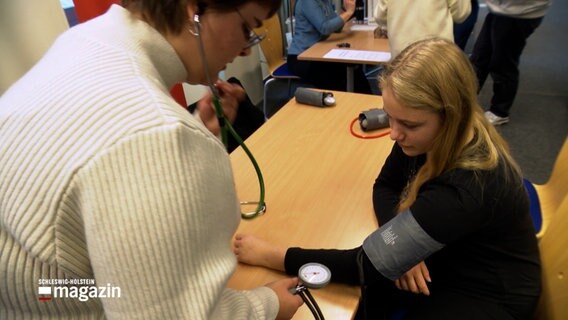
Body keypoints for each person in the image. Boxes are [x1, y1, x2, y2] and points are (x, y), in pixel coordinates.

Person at [0, 0, 304, 319]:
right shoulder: (154, 135)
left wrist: (196, 131)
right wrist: (264, 305)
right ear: (193, 9)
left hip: (49, 292)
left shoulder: (84, 39)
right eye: (246, 28)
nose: (245, 49)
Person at [234, 38, 541, 319]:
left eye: (408, 123)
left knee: (369, 290)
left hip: (491, 294)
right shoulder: (437, 133)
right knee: (382, 285)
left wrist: (272, 255)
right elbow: (386, 183)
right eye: (389, 116)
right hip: (457, 253)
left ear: (450, 115)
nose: (394, 133)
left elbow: (363, 266)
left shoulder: (465, 189)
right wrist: (403, 244)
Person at [470, 0, 551, 126]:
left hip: (518, 13)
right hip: (502, 9)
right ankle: (465, 98)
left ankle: (499, 111)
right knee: (480, 57)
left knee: (502, 64)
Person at [287, 0, 373, 94]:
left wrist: (346, 11)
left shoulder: (325, 1)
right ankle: (348, 104)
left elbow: (337, 28)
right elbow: (325, 28)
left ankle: (369, 102)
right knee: (337, 76)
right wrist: (348, 12)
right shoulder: (307, 2)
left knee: (354, 69)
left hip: (319, 52)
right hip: (301, 57)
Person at [373, 0, 471, 58]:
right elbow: (461, 13)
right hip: (437, 53)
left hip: (402, 54)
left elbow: (380, 16)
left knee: (402, 89)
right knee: (437, 90)